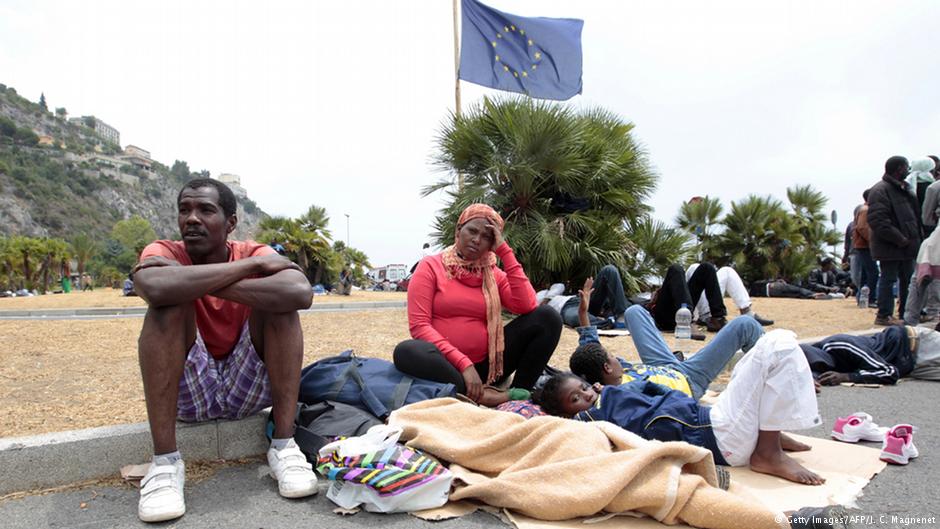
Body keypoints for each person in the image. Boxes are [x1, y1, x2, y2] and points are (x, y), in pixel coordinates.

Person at [132, 178, 317, 522]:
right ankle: (165, 466)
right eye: (184, 210)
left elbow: (299, 292)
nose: (191, 218)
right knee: (167, 305)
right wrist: (251, 270)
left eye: (205, 210)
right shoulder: (166, 251)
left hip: (244, 385)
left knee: (280, 306)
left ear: (231, 223)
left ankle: (284, 447)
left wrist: (194, 279)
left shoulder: (255, 249)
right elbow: (154, 287)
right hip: (192, 390)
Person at [537, 330, 826, 486]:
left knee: (755, 359)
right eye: (575, 399)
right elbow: (572, 433)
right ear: (567, 414)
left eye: (584, 388)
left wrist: (610, 389)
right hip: (718, 437)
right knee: (779, 344)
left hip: (711, 417)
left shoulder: (614, 391)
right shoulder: (593, 419)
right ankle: (766, 452)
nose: (585, 396)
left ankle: (767, 432)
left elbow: (660, 390)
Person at [394, 204, 562, 406]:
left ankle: (518, 399)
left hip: (489, 368)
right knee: (406, 351)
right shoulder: (430, 267)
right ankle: (485, 395)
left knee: (547, 318)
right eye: (472, 231)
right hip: (447, 367)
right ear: (458, 231)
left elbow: (527, 305)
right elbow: (419, 327)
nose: (477, 240)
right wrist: (464, 364)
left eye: (487, 237)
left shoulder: (493, 275)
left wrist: (505, 252)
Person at [569, 279, 764, 400]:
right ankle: (780, 357)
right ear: (607, 368)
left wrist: (583, 312)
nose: (616, 357)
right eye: (612, 357)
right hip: (689, 379)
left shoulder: (600, 369)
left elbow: (590, 344)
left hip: (661, 364)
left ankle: (781, 351)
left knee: (634, 311)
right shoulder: (623, 394)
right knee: (745, 325)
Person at [868, 155, 921, 326]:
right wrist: (900, 239)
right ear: (899, 168)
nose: (908, 170)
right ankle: (884, 315)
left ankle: (906, 314)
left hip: (907, 247)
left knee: (908, 281)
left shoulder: (903, 189)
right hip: (892, 246)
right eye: (906, 167)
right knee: (889, 279)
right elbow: (878, 221)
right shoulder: (880, 190)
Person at [800, 325, 915, 386]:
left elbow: (890, 372)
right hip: (906, 362)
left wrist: (847, 377)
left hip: (911, 344)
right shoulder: (820, 363)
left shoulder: (840, 345)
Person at [686, 263, 774, 326]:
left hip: (709, 299)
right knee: (694, 267)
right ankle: (706, 317)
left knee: (727, 270)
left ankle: (747, 312)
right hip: (694, 307)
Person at [853, 189, 878, 305]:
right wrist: (872, 241)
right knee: (873, 272)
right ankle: (870, 297)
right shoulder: (866, 210)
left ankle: (862, 298)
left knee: (865, 272)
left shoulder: (864, 209)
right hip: (865, 246)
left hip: (863, 245)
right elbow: (862, 228)